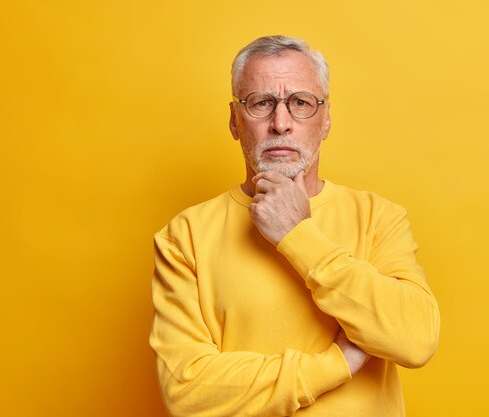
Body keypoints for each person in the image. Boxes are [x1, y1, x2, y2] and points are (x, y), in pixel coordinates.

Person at [149, 35, 440, 417]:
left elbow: (415, 341)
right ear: (235, 121)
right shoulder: (185, 235)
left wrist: (297, 235)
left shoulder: (378, 218)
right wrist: (337, 364)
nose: (280, 123)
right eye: (261, 103)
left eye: (301, 103)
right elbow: (186, 392)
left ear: (326, 121)